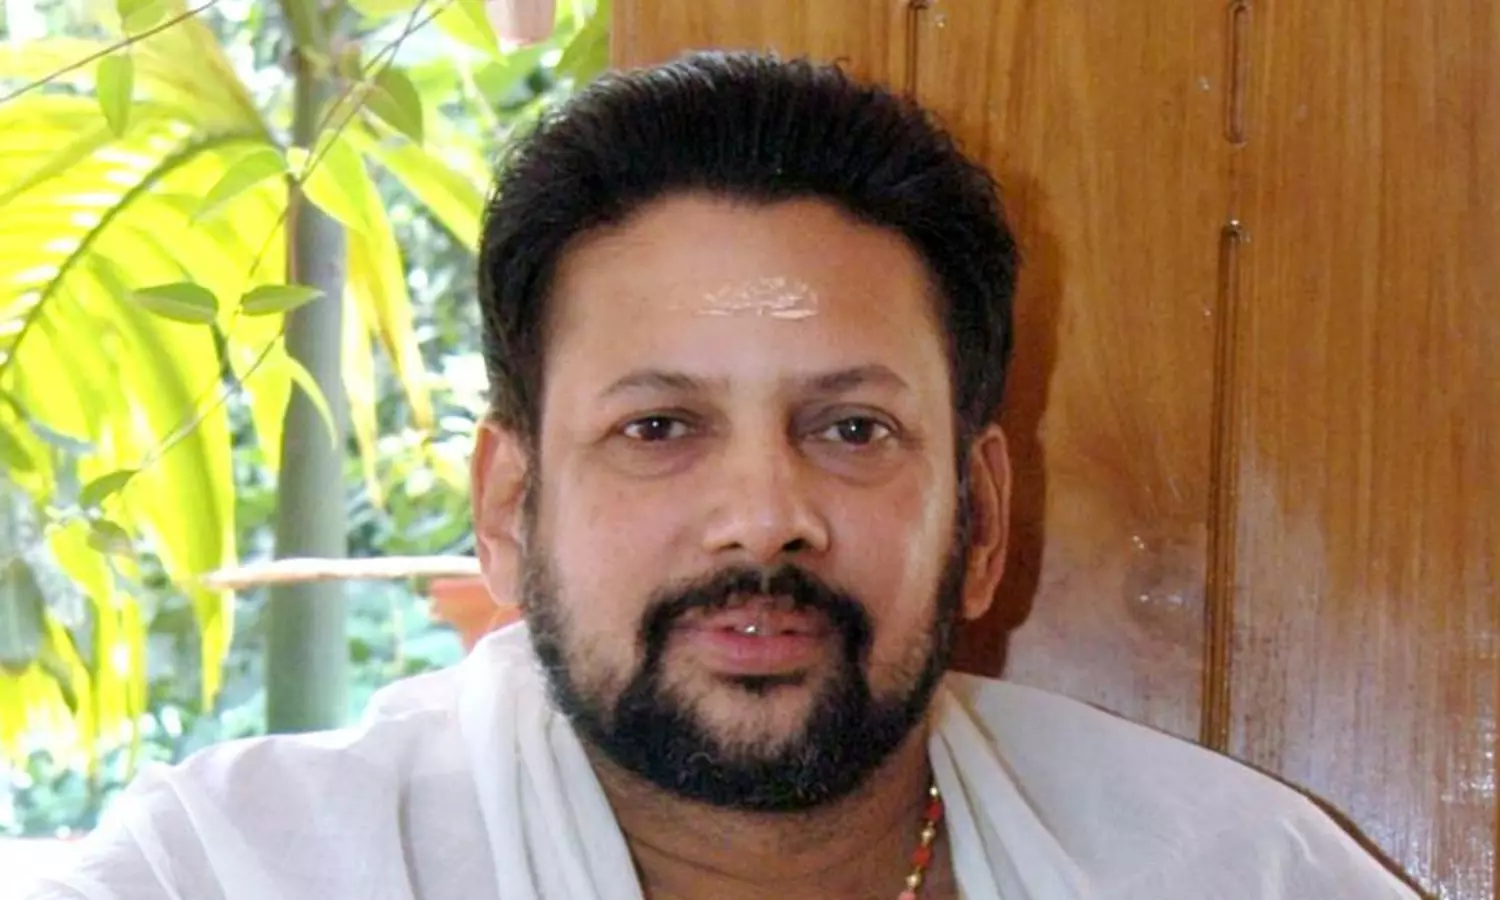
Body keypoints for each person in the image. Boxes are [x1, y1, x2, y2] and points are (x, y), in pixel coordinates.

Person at [25, 52, 1420, 900]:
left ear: (984, 520)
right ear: (510, 510)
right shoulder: (235, 873)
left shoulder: (1233, 874)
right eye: (660, 428)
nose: (764, 518)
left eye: (851, 430)